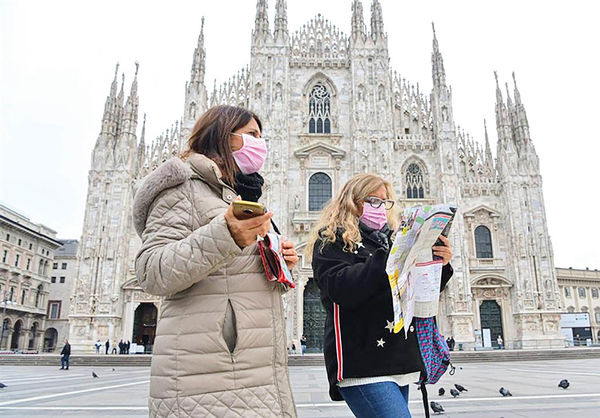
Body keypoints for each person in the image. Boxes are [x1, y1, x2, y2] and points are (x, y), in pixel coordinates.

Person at [133, 105, 298, 417]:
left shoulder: (241, 195)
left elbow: (231, 275)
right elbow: (151, 271)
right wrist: (227, 236)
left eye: (262, 137)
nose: (260, 144)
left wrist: (280, 263)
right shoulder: (183, 189)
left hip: (255, 371)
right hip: (206, 376)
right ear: (225, 137)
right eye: (252, 135)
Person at [307, 173, 454, 418]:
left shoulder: (390, 239)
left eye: (385, 202)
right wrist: (392, 256)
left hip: (397, 357)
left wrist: (439, 263)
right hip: (362, 360)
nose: (381, 208)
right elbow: (341, 288)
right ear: (353, 202)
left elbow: (412, 291)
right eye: (373, 201)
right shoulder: (331, 240)